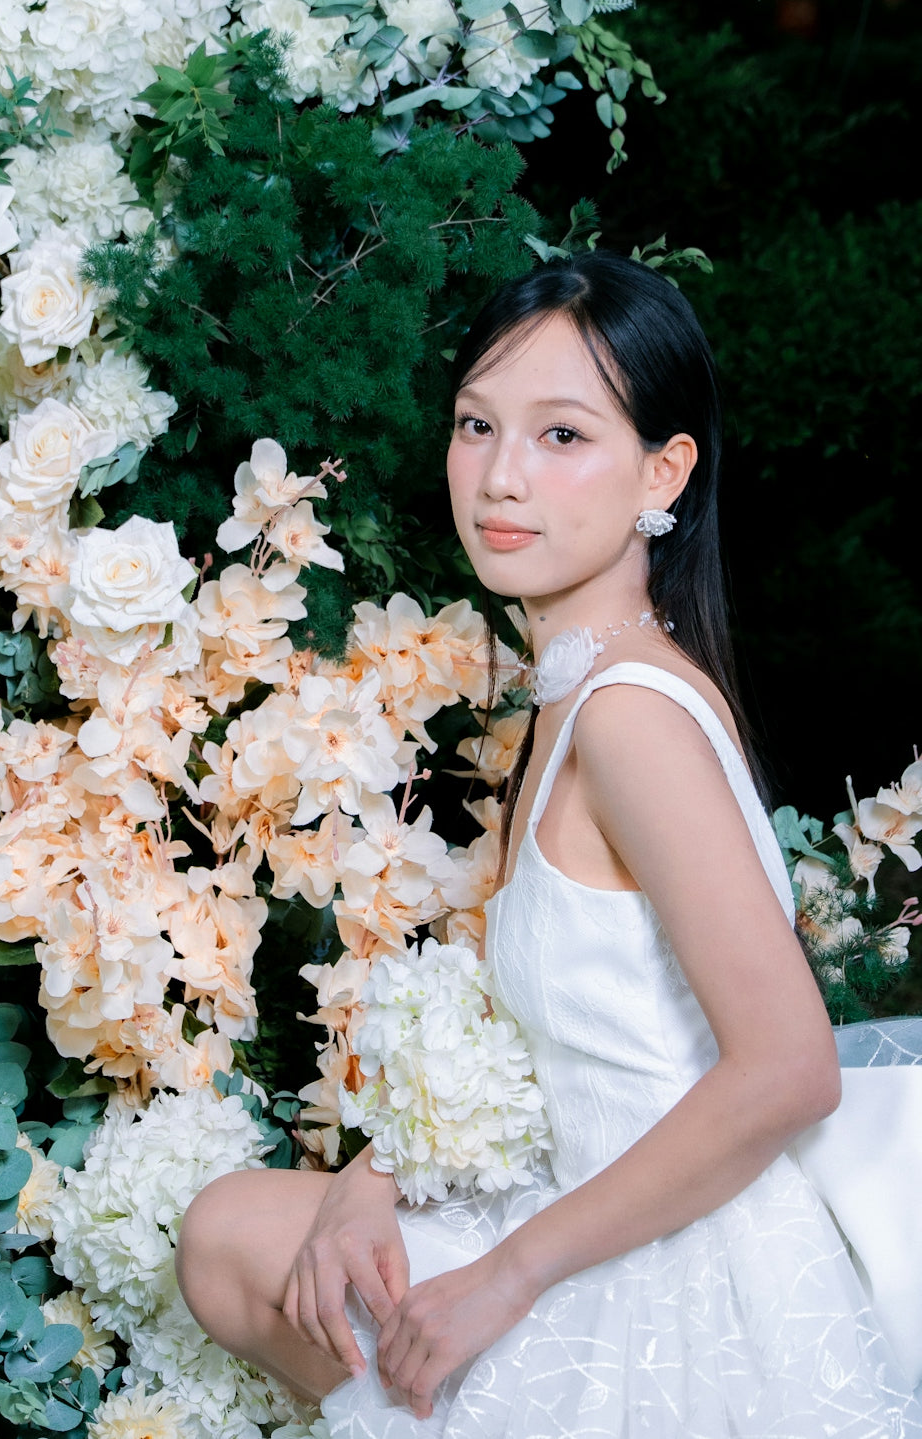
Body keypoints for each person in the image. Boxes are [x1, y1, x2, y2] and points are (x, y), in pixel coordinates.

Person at [176, 252, 922, 1435]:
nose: (501, 477)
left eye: (563, 436)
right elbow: (553, 1033)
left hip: (674, 1260)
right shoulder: (579, 687)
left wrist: (511, 1274)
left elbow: (790, 1067)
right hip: (588, 1190)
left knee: (236, 1240)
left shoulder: (631, 717)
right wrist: (373, 1180)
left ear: (662, 471)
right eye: (478, 424)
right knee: (236, 1232)